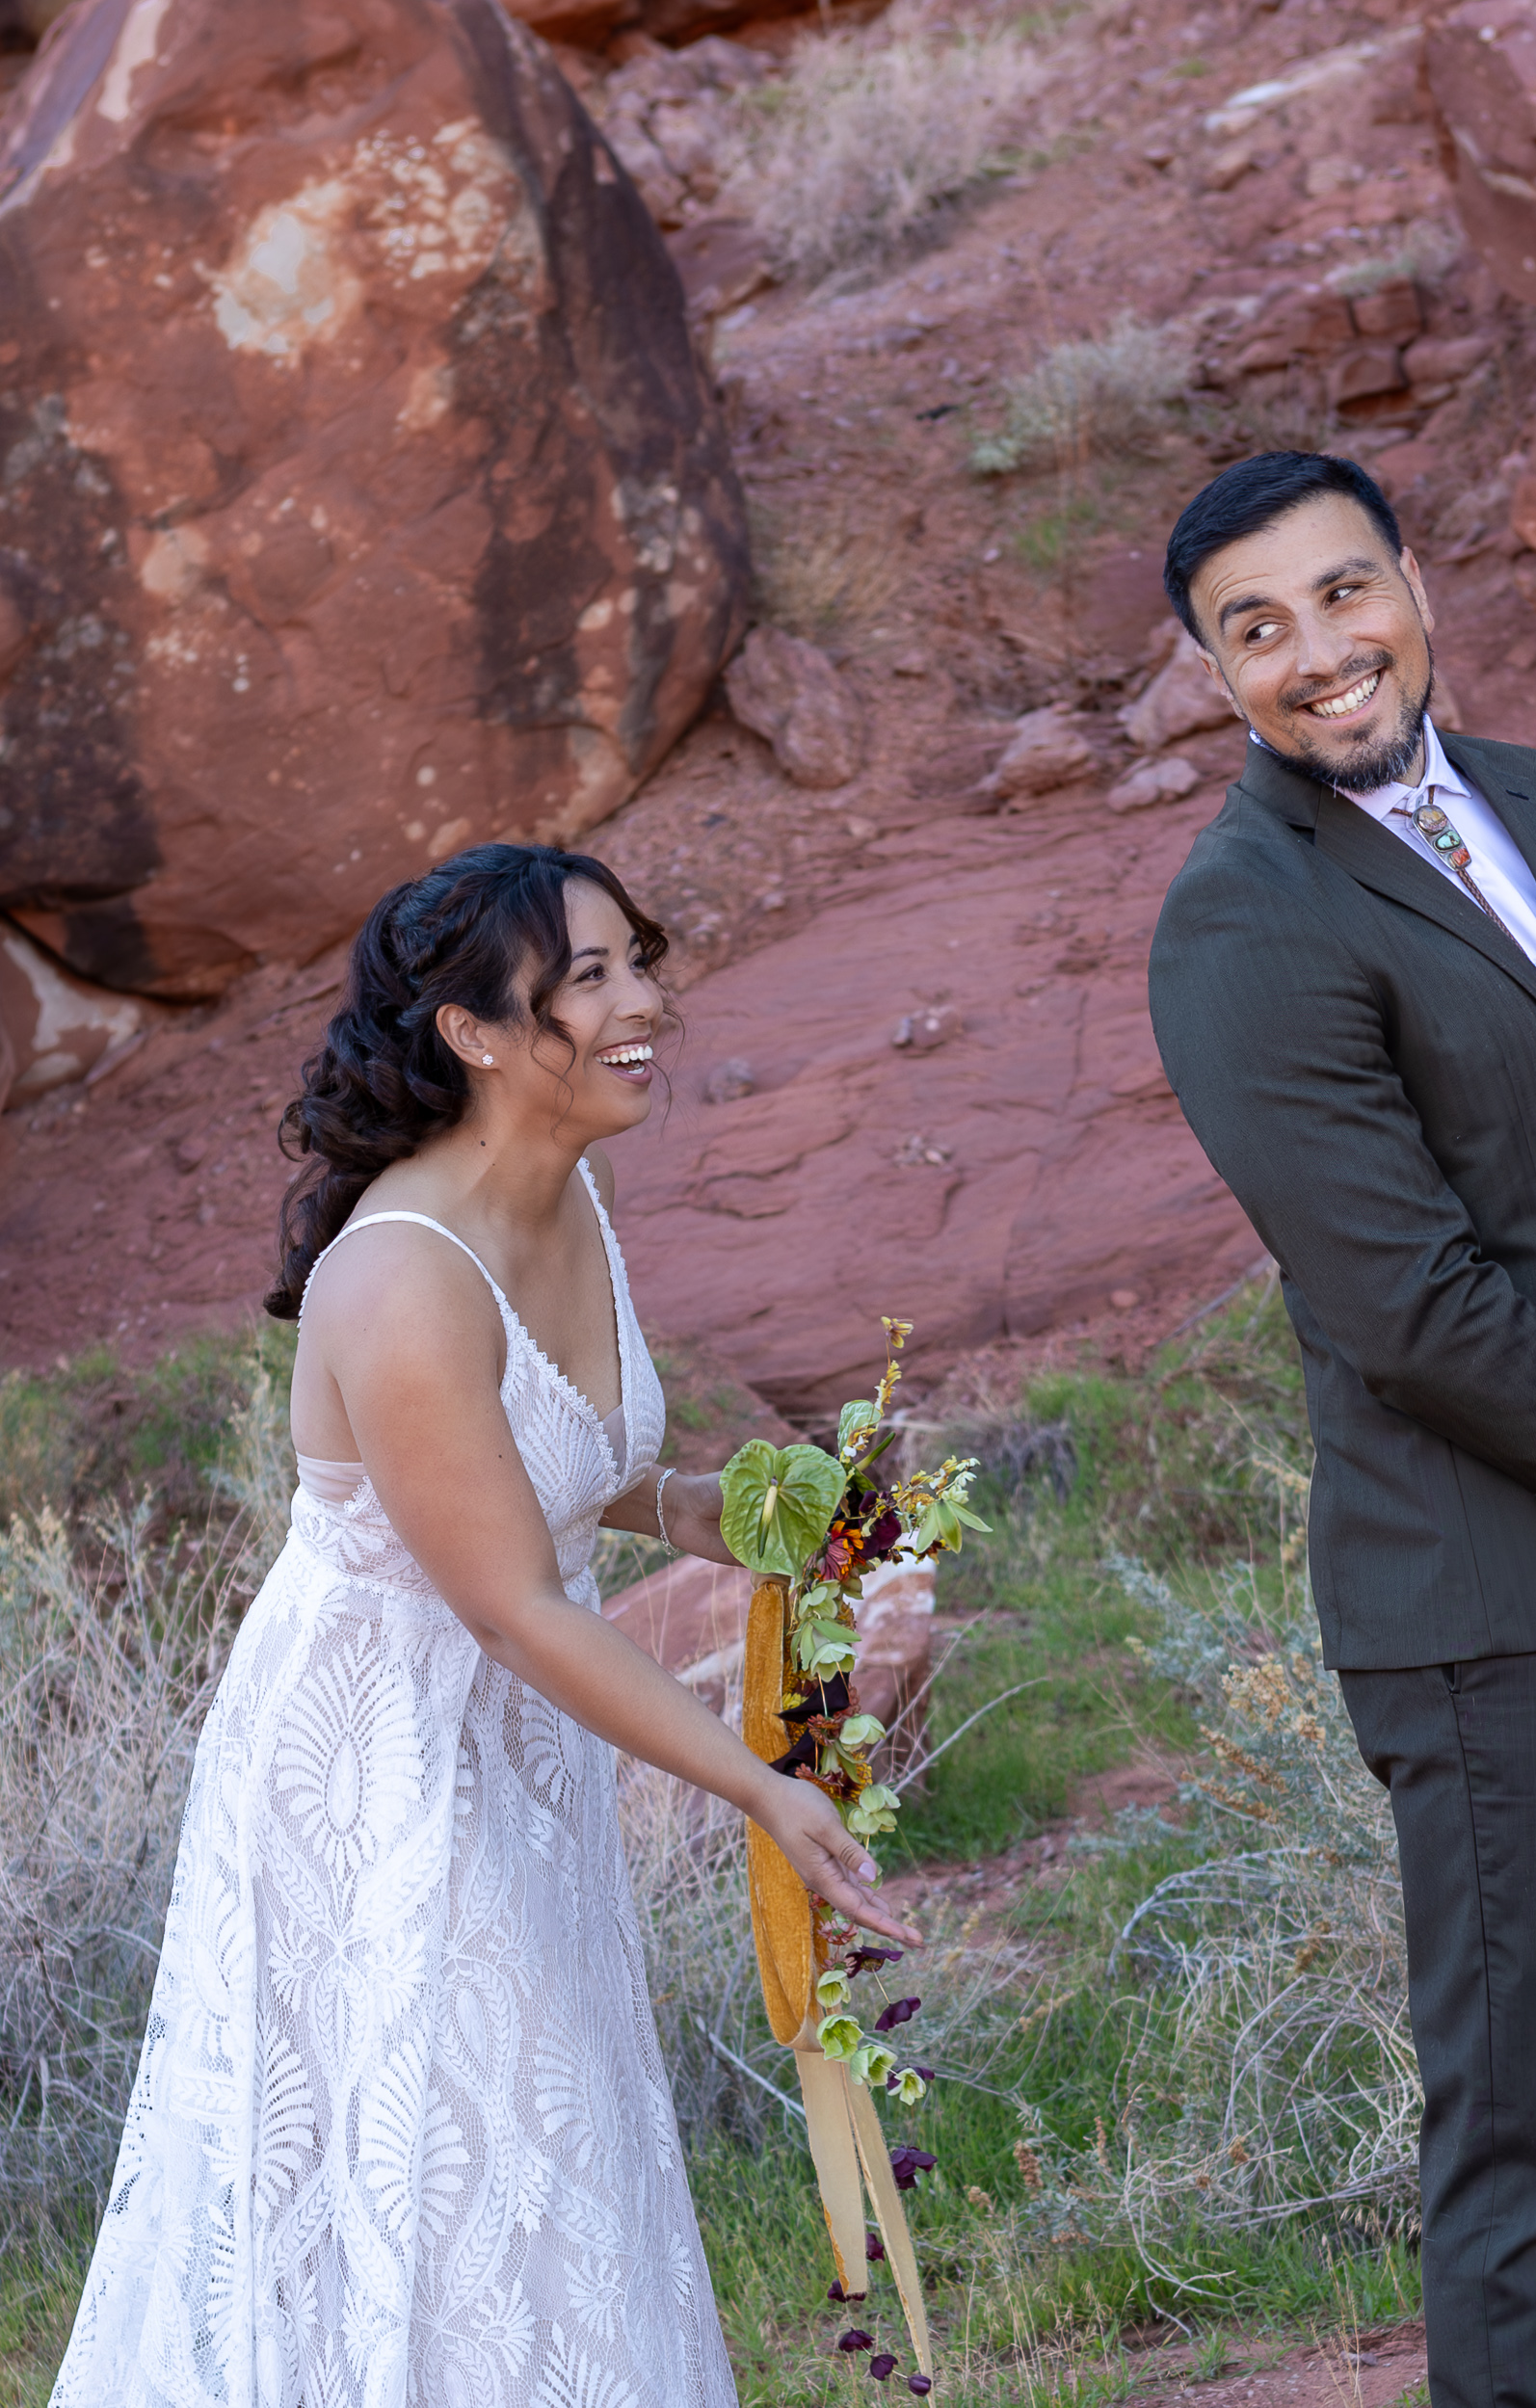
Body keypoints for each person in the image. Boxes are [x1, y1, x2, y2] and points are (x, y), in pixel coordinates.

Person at [52, 843, 918, 2408]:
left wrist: (784, 1511)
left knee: (551, 2120)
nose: (646, 1000)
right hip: (382, 1766)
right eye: (593, 978)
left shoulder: (570, 1193)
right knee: (448, 2141)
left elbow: (601, 1480)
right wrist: (759, 1787)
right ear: (475, 1031)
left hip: (521, 1743)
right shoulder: (402, 1273)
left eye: (636, 961)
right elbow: (514, 1607)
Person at [1147, 451, 1536, 2408]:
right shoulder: (1242, 922)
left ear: (1412, 580)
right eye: (1258, 629)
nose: (1319, 653)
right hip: (1496, 1606)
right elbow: (1404, 1301)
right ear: (1215, 675)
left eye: (1340, 594)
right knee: (1535, 2140)